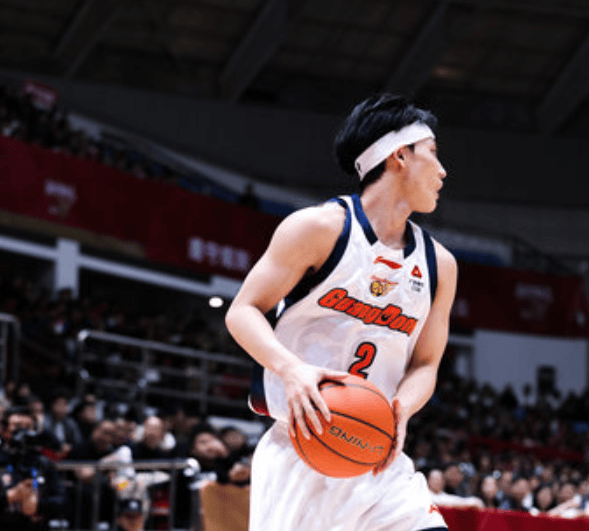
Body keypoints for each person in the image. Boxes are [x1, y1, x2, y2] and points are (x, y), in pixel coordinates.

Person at [225, 93, 457, 531]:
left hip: (378, 457)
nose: (443, 170)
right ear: (399, 155)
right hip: (303, 450)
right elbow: (242, 311)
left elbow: (426, 364)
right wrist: (292, 370)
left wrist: (401, 410)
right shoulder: (317, 228)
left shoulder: (439, 264)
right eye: (433, 152)